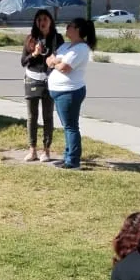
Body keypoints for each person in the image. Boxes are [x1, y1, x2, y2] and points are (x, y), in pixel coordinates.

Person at [46, 17, 97, 170]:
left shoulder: (81, 48)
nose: (67, 28)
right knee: (67, 126)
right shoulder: (66, 46)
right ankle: (67, 156)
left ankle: (73, 161)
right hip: (59, 91)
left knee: (70, 127)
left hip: (70, 92)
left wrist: (55, 62)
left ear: (78, 30)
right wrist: (55, 62)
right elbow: (49, 60)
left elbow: (65, 67)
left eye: (70, 26)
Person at [20, 9, 64, 162]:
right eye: (39, 20)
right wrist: (34, 54)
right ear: (35, 23)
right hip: (32, 79)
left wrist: (54, 58)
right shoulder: (31, 39)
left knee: (48, 116)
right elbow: (23, 62)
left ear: (50, 21)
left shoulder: (57, 39)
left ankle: (46, 150)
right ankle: (32, 150)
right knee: (32, 116)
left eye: (45, 19)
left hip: (50, 80)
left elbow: (62, 59)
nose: (42, 22)